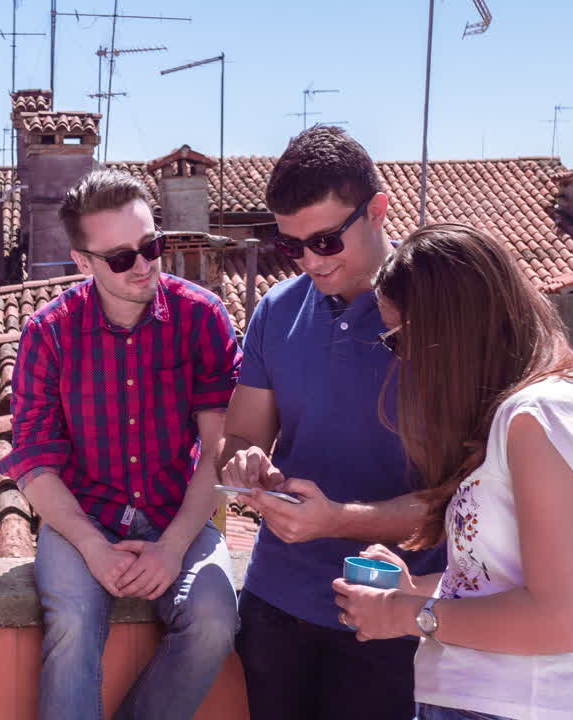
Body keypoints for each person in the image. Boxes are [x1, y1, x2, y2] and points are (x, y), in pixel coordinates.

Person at [333, 223, 573, 720]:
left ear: (446, 331)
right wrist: (416, 592)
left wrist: (400, 614)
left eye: (401, 340)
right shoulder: (548, 408)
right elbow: (502, 586)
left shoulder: (540, 417)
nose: (403, 361)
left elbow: (560, 621)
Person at [0, 168, 242, 720]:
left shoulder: (202, 316)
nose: (143, 265)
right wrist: (90, 544)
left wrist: (174, 545)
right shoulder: (49, 332)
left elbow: (218, 447)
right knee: (75, 623)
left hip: (178, 509)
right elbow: (34, 462)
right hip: (82, 514)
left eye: (150, 247)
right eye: (120, 258)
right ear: (83, 262)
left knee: (215, 619)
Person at [218, 125, 444, 720]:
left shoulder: (440, 314)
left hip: (390, 613)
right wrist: (243, 463)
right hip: (275, 604)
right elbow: (239, 439)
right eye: (291, 245)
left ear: (378, 210)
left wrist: (336, 522)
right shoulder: (276, 310)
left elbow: (463, 502)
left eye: (324, 240)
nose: (310, 262)